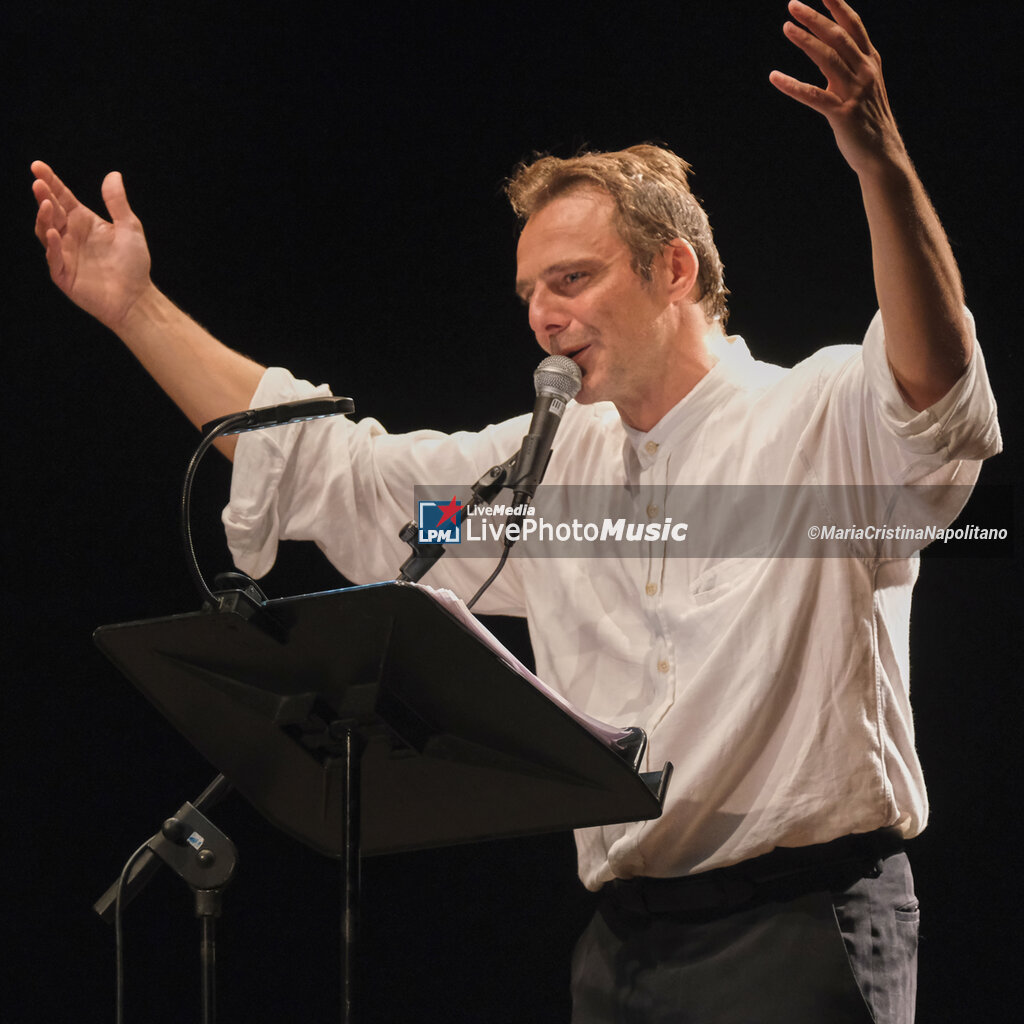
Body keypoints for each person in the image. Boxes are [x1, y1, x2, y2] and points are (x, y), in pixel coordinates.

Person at [31, 2, 1000, 1021]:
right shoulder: (539, 485)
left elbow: (933, 392)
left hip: (800, 926)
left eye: (572, 279)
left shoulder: (815, 423)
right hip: (622, 947)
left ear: (673, 268)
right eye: (530, 290)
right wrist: (134, 309)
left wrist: (881, 165)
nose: (542, 313)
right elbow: (345, 478)